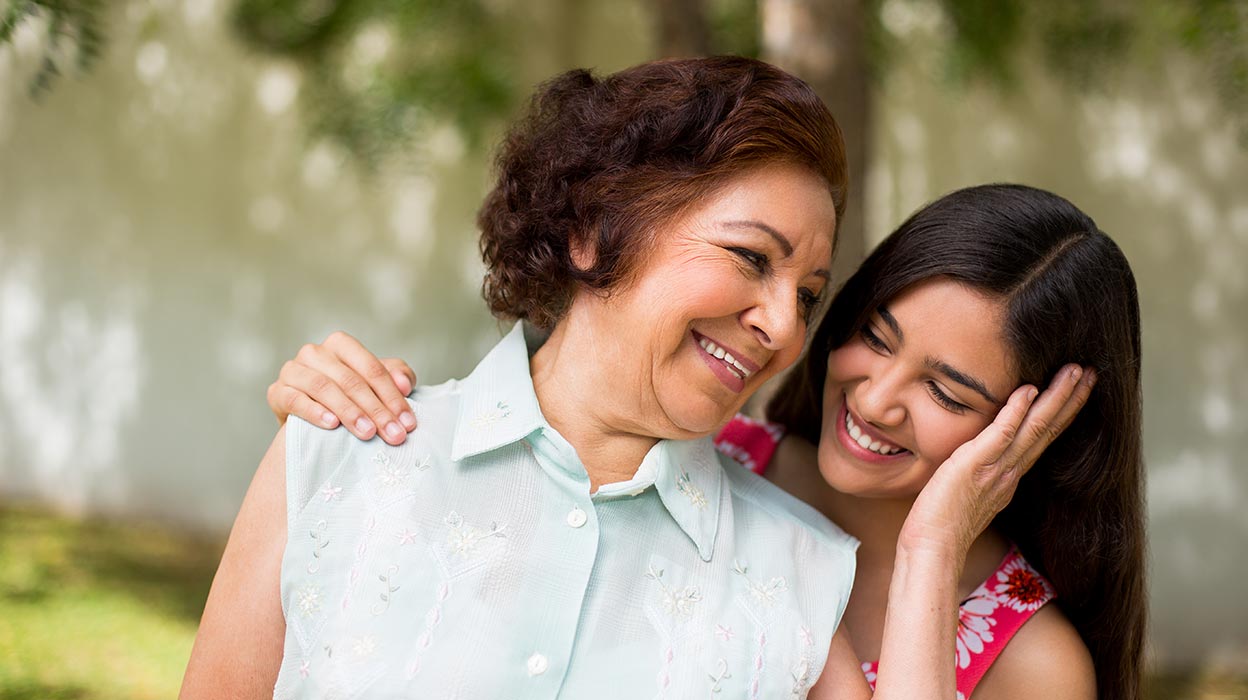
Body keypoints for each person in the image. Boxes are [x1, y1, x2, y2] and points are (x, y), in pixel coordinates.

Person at [269, 184, 1145, 699]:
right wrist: (348, 404)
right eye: (874, 338)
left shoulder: (1034, 663)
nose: (876, 399)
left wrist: (930, 551)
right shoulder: (703, 457)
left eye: (946, 391)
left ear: (1039, 431)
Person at [186, 55, 881, 698]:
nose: (785, 328)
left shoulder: (799, 576)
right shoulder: (335, 452)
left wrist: (936, 545)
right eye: (752, 257)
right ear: (594, 231)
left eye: (808, 296)